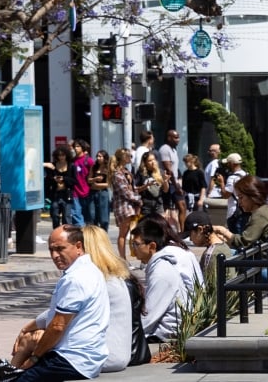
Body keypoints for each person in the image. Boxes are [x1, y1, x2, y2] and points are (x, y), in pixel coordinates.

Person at [8, 226, 111, 381]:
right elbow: (54, 315)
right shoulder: (88, 270)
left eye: (60, 249)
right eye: (51, 250)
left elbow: (57, 326)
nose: (55, 255)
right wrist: (26, 330)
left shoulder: (76, 278)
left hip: (71, 359)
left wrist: (34, 359)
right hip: (83, 357)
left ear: (78, 246)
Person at [129, 215, 201, 343]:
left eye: (136, 244)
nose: (133, 249)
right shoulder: (170, 253)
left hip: (170, 331)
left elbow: (149, 316)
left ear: (151, 245)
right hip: (186, 319)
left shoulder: (162, 269)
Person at [75, 226, 133, 374]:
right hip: (119, 354)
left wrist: (30, 326)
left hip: (104, 356)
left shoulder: (99, 282)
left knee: (36, 339)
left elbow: (63, 315)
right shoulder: (114, 279)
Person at [111, 149, 142, 258]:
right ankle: (123, 259)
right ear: (123, 158)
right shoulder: (117, 174)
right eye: (129, 156)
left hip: (131, 206)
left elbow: (132, 189)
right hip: (123, 207)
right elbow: (126, 192)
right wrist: (139, 199)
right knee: (123, 234)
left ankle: (134, 257)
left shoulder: (126, 172)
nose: (131, 158)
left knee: (132, 232)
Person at [45, 148, 77, 227]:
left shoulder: (71, 166)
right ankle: (56, 231)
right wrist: (54, 179)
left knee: (66, 216)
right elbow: (48, 180)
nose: (61, 157)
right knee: (55, 214)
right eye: (59, 155)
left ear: (66, 155)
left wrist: (64, 179)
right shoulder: (53, 165)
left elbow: (74, 181)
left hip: (67, 194)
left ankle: (66, 234)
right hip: (56, 194)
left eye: (63, 155)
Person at [72, 140, 94, 229]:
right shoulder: (73, 161)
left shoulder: (88, 160)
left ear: (83, 148)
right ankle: (79, 232)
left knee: (89, 214)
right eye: (75, 147)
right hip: (75, 192)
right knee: (76, 212)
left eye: (78, 146)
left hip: (87, 191)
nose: (75, 148)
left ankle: (88, 232)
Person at [89, 151, 112, 230]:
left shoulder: (108, 168)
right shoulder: (94, 167)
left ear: (105, 158)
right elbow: (89, 180)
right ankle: (95, 235)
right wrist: (95, 179)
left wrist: (98, 185)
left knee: (104, 219)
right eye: (97, 156)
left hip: (103, 193)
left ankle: (104, 233)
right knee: (93, 216)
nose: (98, 158)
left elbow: (109, 184)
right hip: (93, 193)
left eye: (100, 156)